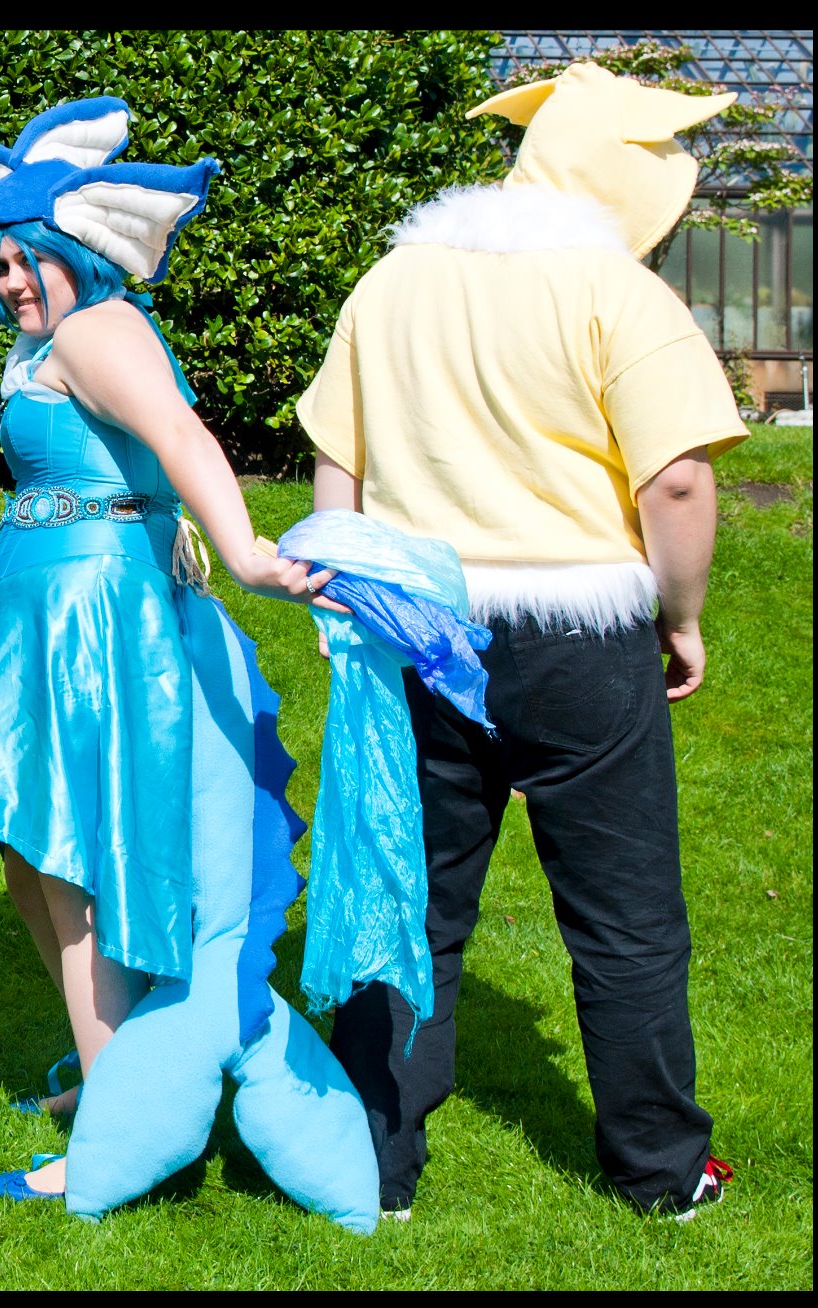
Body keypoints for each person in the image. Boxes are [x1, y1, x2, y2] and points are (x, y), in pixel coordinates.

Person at [300, 62, 746, 1221]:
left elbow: (335, 462)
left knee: (408, 897)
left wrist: (350, 603)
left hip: (417, 627)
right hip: (581, 637)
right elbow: (677, 480)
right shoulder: (617, 293)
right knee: (622, 912)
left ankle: (372, 1166)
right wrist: (678, 614)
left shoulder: (390, 281)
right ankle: (658, 1170)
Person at [0, 98, 379, 1227]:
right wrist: (168, 525)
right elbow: (136, 462)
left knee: (74, 866)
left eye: (27, 256)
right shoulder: (51, 339)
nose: (10, 279)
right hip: (51, 616)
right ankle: (109, 1063)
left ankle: (116, 1109)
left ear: (76, 250)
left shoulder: (96, 329)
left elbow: (182, 436)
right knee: (33, 860)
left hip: (93, 624)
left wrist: (243, 552)